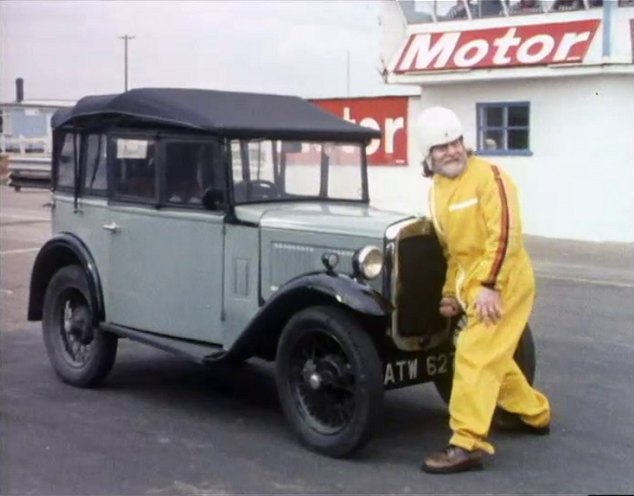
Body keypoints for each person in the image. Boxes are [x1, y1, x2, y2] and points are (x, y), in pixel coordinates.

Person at [416, 106, 551, 474]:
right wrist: (449, 293)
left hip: (505, 281)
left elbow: (506, 234)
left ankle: (466, 442)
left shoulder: (489, 177)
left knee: (475, 352)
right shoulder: (438, 192)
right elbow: (453, 252)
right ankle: (534, 414)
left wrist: (490, 286)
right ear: (427, 156)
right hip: (475, 285)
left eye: (456, 142)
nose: (452, 151)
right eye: (441, 147)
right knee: (492, 355)